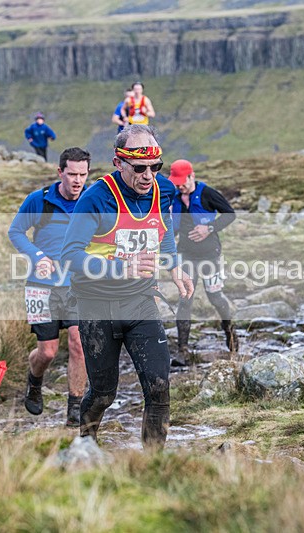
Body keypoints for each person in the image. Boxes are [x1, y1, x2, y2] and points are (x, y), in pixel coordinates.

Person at [61, 124, 194, 449]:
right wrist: (121, 267)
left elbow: (161, 229)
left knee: (159, 386)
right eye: (139, 168)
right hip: (96, 307)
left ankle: (152, 465)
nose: (148, 175)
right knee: (104, 392)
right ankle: (85, 447)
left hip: (140, 303)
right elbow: (70, 256)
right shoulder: (96, 198)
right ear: (119, 163)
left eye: (155, 167)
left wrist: (174, 265)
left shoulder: (163, 190)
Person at [8, 147, 91, 427]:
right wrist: (38, 256)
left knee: (79, 343)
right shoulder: (39, 200)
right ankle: (34, 381)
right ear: (60, 173)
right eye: (72, 174)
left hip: (78, 285)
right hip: (41, 286)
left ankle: (75, 407)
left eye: (82, 174)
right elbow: (15, 232)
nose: (77, 180)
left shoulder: (93, 201)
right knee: (47, 352)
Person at [169, 159, 238, 366]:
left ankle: (231, 336)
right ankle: (183, 350)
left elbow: (230, 214)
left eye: (183, 181)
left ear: (192, 176)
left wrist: (209, 228)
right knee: (185, 298)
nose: (180, 185)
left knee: (215, 297)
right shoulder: (174, 196)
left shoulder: (207, 193)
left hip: (210, 255)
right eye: (177, 182)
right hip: (185, 255)